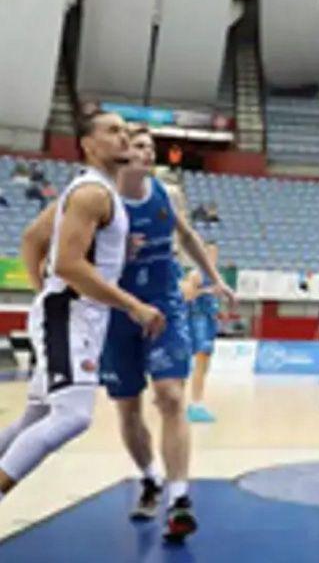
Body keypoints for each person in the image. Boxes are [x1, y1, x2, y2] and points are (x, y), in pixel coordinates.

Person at [25, 127, 235, 539]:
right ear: (121, 153)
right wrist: (47, 295)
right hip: (114, 311)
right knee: (128, 407)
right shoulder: (92, 196)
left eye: (150, 147)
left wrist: (216, 279)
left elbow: (188, 237)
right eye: (137, 145)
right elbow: (34, 240)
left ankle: (179, 499)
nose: (144, 152)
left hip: (163, 305)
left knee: (172, 396)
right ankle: (150, 478)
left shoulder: (166, 195)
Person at [1, 112, 165, 502]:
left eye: (127, 131)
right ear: (89, 146)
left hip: (75, 314)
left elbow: (33, 237)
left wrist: (54, 291)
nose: (124, 137)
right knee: (73, 417)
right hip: (71, 314)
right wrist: (133, 305)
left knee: (36, 418)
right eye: (113, 131)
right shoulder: (91, 193)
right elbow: (68, 264)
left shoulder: (95, 191)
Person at [181, 242, 223, 423]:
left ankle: (196, 401)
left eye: (215, 254)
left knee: (205, 364)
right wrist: (207, 290)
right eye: (210, 253)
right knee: (199, 361)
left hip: (210, 319)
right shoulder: (196, 274)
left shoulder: (215, 275)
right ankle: (195, 404)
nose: (213, 257)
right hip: (198, 320)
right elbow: (187, 295)